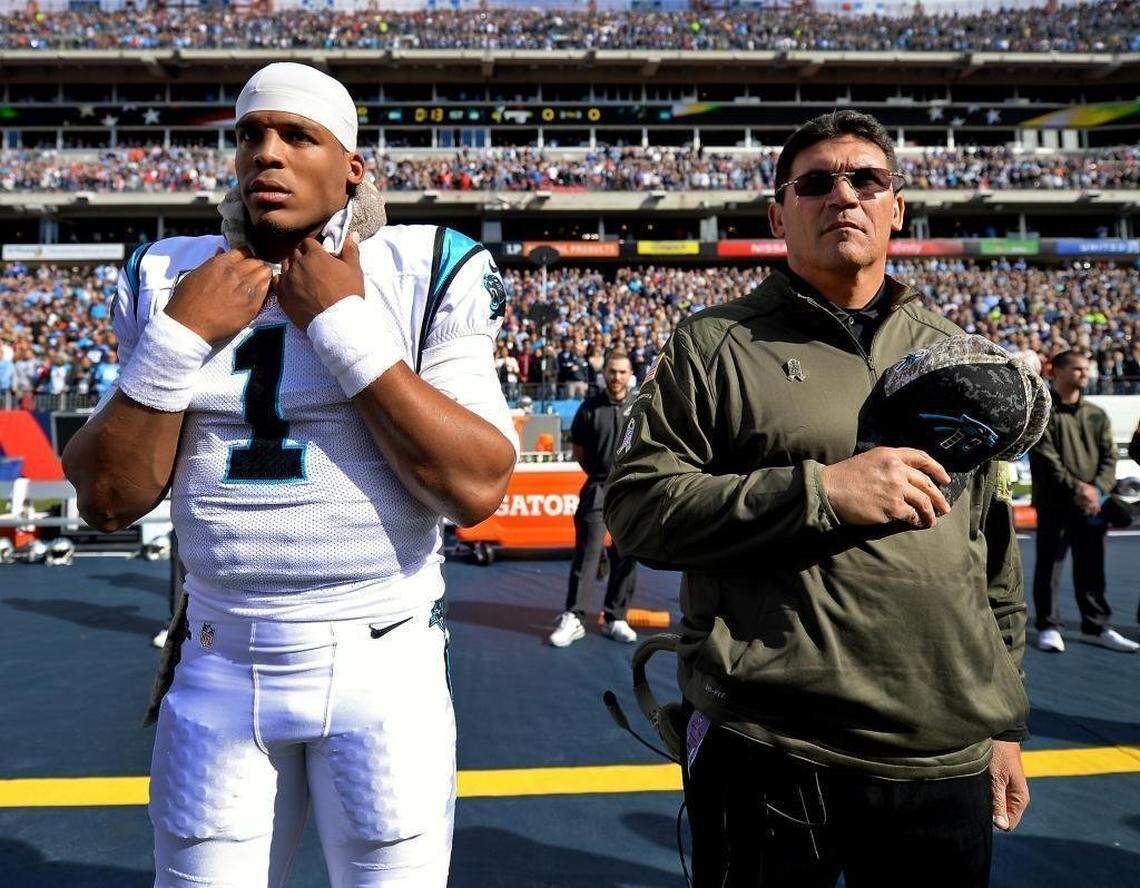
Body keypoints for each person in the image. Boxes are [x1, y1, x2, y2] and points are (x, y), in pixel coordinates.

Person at [62, 62, 517, 887]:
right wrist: (176, 341)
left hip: (385, 661)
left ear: (352, 164)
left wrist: (345, 326)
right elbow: (108, 499)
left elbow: (477, 488)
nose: (265, 154)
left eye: (296, 135)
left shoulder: (425, 265)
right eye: (249, 135)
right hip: (218, 659)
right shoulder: (169, 275)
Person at [605, 110, 1030, 887]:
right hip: (775, 750)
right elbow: (636, 511)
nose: (844, 195)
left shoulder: (960, 357)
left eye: (867, 179)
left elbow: (991, 558)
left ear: (896, 206)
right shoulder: (714, 344)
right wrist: (822, 492)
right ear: (779, 214)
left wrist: (1003, 721)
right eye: (816, 182)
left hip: (947, 760)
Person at [1029, 350, 1137, 653]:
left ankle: (1097, 626)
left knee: (1093, 567)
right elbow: (1046, 458)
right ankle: (1048, 626)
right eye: (1076, 369)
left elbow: (1109, 458)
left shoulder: (1096, 414)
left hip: (1092, 506)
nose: (1084, 375)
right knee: (1051, 567)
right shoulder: (1043, 412)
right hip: (1055, 504)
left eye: (1086, 370)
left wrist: (1097, 491)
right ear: (1057, 371)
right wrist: (1080, 489)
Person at [549, 351, 640, 647]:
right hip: (598, 486)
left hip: (632, 489)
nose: (617, 377)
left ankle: (616, 617)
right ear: (604, 374)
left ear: (630, 375)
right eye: (612, 371)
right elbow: (578, 452)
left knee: (627, 554)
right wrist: (600, 475)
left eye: (622, 372)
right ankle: (575, 616)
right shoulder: (589, 408)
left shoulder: (642, 407)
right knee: (588, 554)